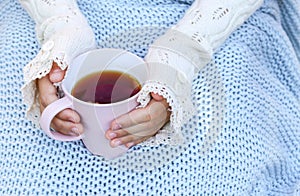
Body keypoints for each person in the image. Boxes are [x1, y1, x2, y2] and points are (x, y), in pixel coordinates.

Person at [0, 0, 299, 195]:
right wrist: (61, 27)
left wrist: (179, 56)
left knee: (207, 178)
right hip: (60, 10)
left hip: (207, 20)